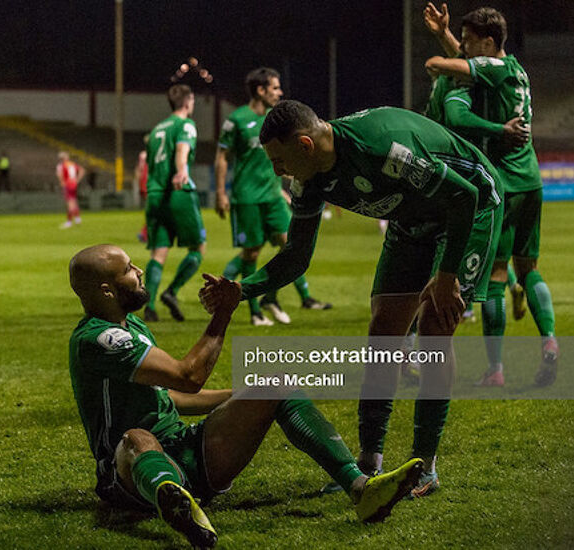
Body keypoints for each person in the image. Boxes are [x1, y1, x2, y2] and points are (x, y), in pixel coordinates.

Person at [200, 101, 503, 498]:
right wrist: (244, 289)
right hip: (411, 221)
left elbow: (462, 195)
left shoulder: (383, 149)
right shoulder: (308, 179)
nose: (277, 171)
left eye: (279, 160)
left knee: (433, 332)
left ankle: (426, 466)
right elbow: (296, 255)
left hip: (470, 207)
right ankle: (369, 462)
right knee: (383, 336)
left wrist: (446, 276)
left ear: (305, 145)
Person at [69, 243, 423, 548]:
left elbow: (173, 397)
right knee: (138, 437)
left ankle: (362, 488)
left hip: (187, 452)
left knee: (277, 384)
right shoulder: (99, 339)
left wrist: (250, 397)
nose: (139, 270)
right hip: (126, 475)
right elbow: (188, 377)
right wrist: (223, 313)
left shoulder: (131, 326)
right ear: (106, 291)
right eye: (129, 269)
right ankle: (171, 497)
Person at [424, 4, 558, 387]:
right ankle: (550, 341)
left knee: (498, 274)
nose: (463, 46)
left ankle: (495, 370)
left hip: (505, 182)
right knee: (529, 268)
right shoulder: (513, 69)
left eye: (469, 40)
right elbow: (469, 61)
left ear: (487, 41)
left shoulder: (495, 69)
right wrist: (444, 34)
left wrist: (437, 58)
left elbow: (455, 67)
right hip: (531, 179)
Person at [215, 67, 331, 327]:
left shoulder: (275, 121)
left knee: (290, 244)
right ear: (261, 90)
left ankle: (271, 298)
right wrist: (221, 192)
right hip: (247, 197)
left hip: (272, 195)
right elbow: (222, 157)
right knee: (252, 252)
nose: (279, 93)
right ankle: (254, 311)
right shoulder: (236, 119)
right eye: (275, 88)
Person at [142, 84, 206, 322]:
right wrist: (181, 172)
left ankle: (149, 307)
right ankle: (172, 292)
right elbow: (182, 150)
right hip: (178, 192)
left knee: (159, 253)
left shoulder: (157, 128)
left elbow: (150, 163)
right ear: (188, 102)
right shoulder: (186, 124)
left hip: (155, 194)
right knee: (198, 248)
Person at [56, 151, 84, 229]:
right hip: (74, 184)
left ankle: (69, 222)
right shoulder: (72, 164)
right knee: (74, 201)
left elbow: (60, 175)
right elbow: (82, 170)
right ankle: (78, 219)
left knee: (70, 203)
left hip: (68, 184)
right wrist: (77, 180)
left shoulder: (61, 165)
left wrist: (62, 182)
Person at [134, 148, 149, 242]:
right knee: (154, 211)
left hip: (144, 184)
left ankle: (145, 233)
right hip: (151, 184)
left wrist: (139, 182)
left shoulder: (142, 154)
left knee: (152, 210)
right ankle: (144, 234)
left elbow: (138, 170)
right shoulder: (155, 153)